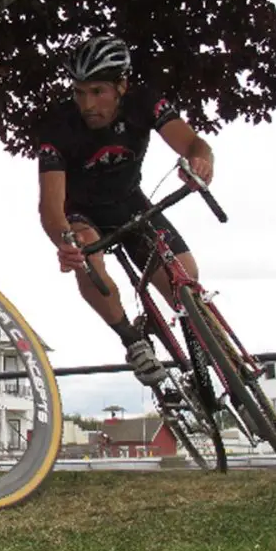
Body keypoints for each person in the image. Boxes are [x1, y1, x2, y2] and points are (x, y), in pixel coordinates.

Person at [35, 35, 215, 386]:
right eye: (80, 92)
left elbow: (192, 142)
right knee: (88, 254)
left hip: (130, 203)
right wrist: (65, 242)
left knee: (186, 281)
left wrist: (201, 160)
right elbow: (50, 204)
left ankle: (209, 358)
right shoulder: (58, 126)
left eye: (98, 91)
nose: (87, 104)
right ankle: (132, 340)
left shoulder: (143, 102)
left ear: (121, 86)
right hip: (82, 212)